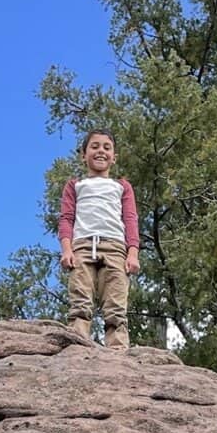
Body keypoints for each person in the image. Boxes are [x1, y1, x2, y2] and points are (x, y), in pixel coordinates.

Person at [58, 130, 139, 350]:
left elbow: (130, 219)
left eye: (106, 147)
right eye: (94, 147)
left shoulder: (121, 186)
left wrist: (133, 253)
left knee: (115, 306)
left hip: (115, 249)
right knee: (80, 301)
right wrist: (67, 249)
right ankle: (77, 345)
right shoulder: (75, 185)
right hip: (83, 247)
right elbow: (66, 219)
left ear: (114, 157)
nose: (100, 151)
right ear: (83, 155)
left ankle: (117, 349)